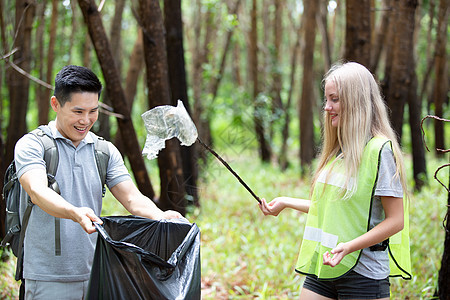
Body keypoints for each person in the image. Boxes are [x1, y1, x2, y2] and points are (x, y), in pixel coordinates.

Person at [15, 65, 185, 299]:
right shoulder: (32, 145)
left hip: (97, 272)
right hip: (47, 277)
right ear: (56, 104)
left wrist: (159, 215)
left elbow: (131, 197)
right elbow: (37, 191)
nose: (86, 120)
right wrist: (75, 212)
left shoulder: (103, 150)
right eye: (78, 111)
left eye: (93, 111)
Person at [259, 62, 411, 299]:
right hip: (325, 265)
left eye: (335, 99)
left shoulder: (380, 151)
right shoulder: (338, 151)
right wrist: (285, 202)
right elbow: (333, 207)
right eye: (326, 100)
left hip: (365, 276)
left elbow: (396, 220)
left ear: (355, 101)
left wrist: (349, 247)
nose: (327, 107)